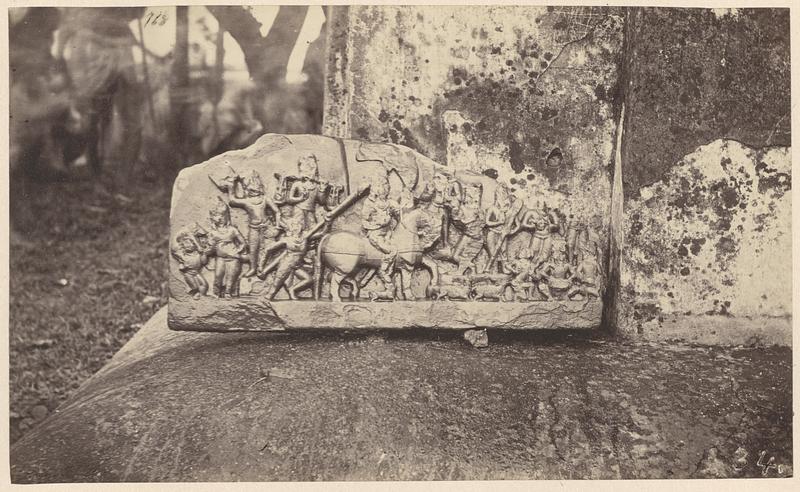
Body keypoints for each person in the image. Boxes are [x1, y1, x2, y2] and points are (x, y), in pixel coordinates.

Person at [56, 7, 144, 184]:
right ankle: (95, 177)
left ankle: (123, 179)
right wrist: (59, 54)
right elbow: (67, 18)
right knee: (91, 118)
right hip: (89, 45)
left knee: (133, 119)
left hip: (121, 43)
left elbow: (138, 12)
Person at [225, 170, 282, 278]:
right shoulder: (247, 201)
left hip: (266, 227)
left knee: (270, 248)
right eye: (249, 189)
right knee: (253, 248)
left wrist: (277, 226)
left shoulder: (265, 199)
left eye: (254, 189)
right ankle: (253, 268)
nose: (252, 191)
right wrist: (231, 185)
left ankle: (270, 268)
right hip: (254, 228)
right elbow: (232, 200)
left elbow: (277, 211)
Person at [360, 172, 400, 294]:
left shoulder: (390, 202)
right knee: (392, 251)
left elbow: (398, 218)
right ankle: (383, 270)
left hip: (388, 234)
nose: (385, 188)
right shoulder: (370, 202)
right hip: (375, 234)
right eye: (382, 185)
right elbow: (364, 219)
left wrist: (396, 213)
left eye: (386, 185)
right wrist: (378, 223)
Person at [207, 198, 247, 298]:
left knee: (231, 276)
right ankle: (216, 292)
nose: (220, 219)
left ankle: (228, 292)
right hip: (220, 258)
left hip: (233, 258)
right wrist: (212, 246)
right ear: (212, 218)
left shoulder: (232, 230)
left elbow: (243, 243)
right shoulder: (212, 233)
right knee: (218, 275)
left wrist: (237, 251)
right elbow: (209, 249)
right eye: (216, 216)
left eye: (222, 216)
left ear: (227, 216)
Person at [171, 226, 210, 299]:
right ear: (182, 246)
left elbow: (204, 262)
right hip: (189, 274)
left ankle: (202, 296)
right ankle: (194, 294)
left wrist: (203, 253)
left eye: (190, 243)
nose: (188, 245)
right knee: (194, 286)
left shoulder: (198, 254)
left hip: (197, 272)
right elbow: (174, 249)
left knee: (205, 285)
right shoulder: (182, 256)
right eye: (185, 244)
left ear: (195, 245)